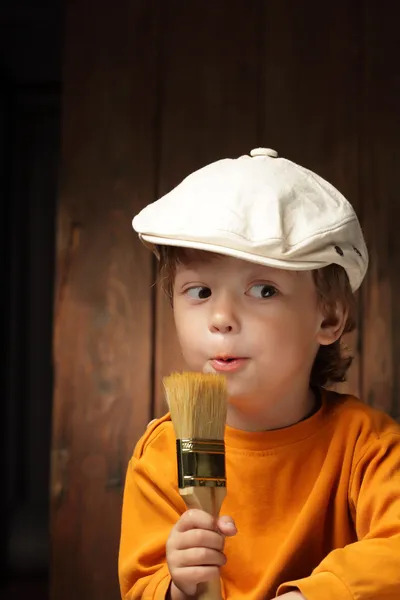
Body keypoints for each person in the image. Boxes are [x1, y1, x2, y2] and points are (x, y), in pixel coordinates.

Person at [118, 147, 400, 599]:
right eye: (200, 290)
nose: (222, 317)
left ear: (328, 318)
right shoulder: (163, 454)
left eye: (263, 290)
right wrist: (179, 588)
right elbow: (141, 585)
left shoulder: (368, 449)